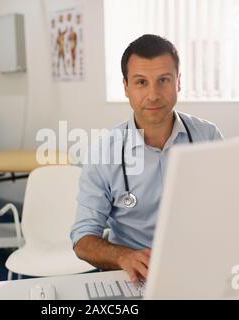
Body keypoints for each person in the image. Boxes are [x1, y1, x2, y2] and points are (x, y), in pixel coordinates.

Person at [70, 34, 223, 283]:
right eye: (141, 82)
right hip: (132, 276)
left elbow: (226, 206)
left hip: (197, 267)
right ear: (126, 87)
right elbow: (82, 238)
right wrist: (123, 256)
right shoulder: (103, 153)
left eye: (163, 80)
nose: (153, 95)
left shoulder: (208, 136)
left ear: (178, 82)